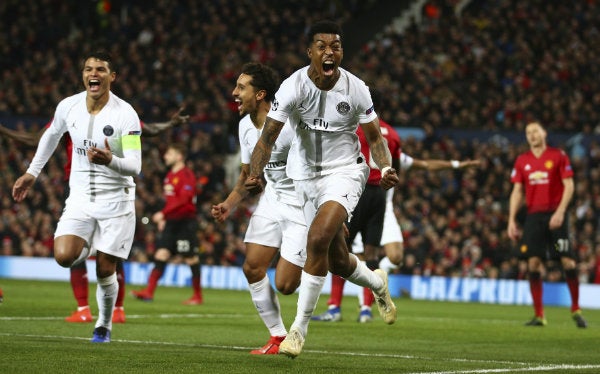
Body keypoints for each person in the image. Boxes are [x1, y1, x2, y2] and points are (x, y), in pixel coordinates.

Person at [245, 20, 399, 358]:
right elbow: (267, 139)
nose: (330, 52)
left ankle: (297, 332)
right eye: (322, 46)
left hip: (345, 172)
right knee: (337, 260)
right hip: (304, 178)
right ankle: (377, 283)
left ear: (341, 52)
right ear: (310, 52)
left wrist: (385, 167)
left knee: (316, 238)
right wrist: (255, 174)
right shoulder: (293, 87)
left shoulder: (356, 88)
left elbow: (375, 139)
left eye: (336, 46)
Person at [0, 109, 188, 324]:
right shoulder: (72, 110)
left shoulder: (120, 113)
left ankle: (101, 309)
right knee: (74, 249)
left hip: (112, 188)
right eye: (89, 71)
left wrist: (170, 124)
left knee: (110, 252)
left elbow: (145, 130)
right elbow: (40, 139)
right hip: (80, 190)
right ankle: (97, 309)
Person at [12, 51, 142, 343]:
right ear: (83, 75)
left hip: (116, 201)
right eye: (88, 69)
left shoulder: (124, 114)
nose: (93, 73)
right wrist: (32, 172)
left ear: (112, 77)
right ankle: (92, 246)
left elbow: (135, 165)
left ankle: (103, 325)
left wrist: (110, 159)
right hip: (80, 198)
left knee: (106, 269)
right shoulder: (69, 106)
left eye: (100, 69)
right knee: (64, 256)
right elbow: (51, 135)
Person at [314, 120, 481, 322]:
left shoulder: (360, 134)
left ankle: (364, 297)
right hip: (373, 200)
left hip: (376, 204)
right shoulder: (390, 138)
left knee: (393, 256)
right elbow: (420, 164)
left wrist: (456, 165)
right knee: (358, 253)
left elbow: (424, 164)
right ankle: (349, 307)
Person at [212, 62, 306, 355]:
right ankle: (277, 336)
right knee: (252, 266)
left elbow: (314, 167)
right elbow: (247, 176)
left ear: (261, 94)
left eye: (242, 88)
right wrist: (229, 204)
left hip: (303, 204)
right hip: (273, 199)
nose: (234, 93)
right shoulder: (243, 126)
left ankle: (326, 247)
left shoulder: (290, 124)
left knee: (286, 285)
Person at [507, 121, 587, 328]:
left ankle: (576, 309)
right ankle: (539, 315)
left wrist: (560, 212)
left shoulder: (558, 156)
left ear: (544, 133)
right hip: (534, 217)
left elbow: (569, 185)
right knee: (533, 263)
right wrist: (511, 219)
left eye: (535, 131)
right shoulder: (522, 160)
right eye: (527, 132)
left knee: (568, 261)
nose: (531, 135)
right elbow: (517, 191)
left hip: (555, 215)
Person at [131, 143, 202, 305]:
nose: (165, 156)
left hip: (185, 223)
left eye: (169, 153)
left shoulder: (187, 175)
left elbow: (184, 200)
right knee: (160, 254)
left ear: (179, 156)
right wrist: (165, 217)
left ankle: (197, 296)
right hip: (171, 222)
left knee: (190, 257)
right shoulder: (169, 175)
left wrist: (163, 214)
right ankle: (149, 292)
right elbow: (171, 201)